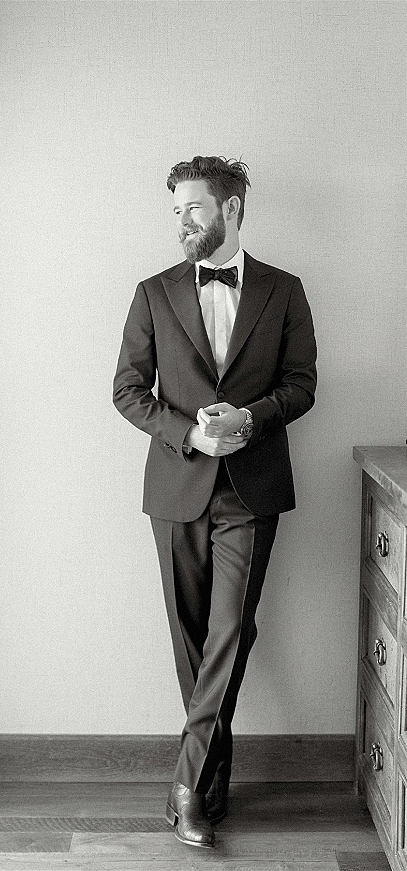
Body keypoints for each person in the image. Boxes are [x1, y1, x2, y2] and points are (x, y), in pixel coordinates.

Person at [113, 155, 317, 849]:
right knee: (191, 642)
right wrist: (190, 430)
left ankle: (184, 785)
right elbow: (128, 391)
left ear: (231, 210)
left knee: (231, 629)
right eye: (176, 211)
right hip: (175, 484)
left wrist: (250, 418)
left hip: (252, 489)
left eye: (193, 208)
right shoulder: (152, 292)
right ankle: (209, 782)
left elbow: (302, 384)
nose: (182, 222)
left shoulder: (284, 290)